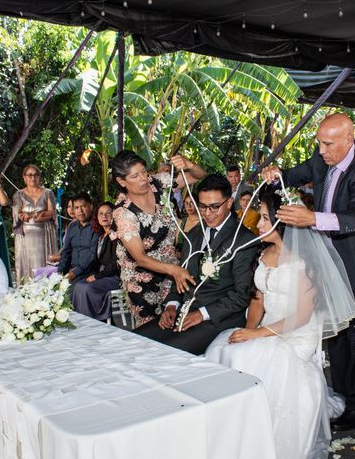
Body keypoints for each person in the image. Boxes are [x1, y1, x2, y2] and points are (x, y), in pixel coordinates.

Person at [205, 191, 355, 459]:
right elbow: (257, 301)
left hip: (296, 335)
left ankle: (268, 449)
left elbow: (301, 316)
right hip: (269, 329)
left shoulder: (304, 261)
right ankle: (237, 441)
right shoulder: (263, 254)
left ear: (282, 222)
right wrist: (248, 331)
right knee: (227, 349)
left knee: (263, 362)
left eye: (264, 218)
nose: (259, 224)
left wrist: (258, 335)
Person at [261, 112, 355, 431]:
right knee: (336, 332)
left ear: (350, 139)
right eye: (319, 143)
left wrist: (313, 219)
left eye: (328, 144)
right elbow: (293, 175)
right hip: (329, 262)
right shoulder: (322, 158)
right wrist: (276, 174)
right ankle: (341, 396)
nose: (321, 150)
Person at [136, 173, 259, 354]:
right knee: (135, 341)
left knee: (165, 353)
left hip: (217, 319)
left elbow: (242, 295)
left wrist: (202, 314)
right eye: (202, 207)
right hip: (183, 312)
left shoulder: (244, 240)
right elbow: (181, 275)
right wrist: (172, 306)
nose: (207, 214)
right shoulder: (193, 234)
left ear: (230, 203)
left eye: (215, 207)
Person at [110, 151, 205, 329]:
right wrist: (174, 270)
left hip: (172, 269)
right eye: (135, 176)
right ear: (122, 182)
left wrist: (189, 164)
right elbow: (140, 257)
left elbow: (199, 175)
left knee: (178, 323)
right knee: (151, 331)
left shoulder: (158, 183)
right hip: (141, 280)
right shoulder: (123, 212)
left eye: (144, 172)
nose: (143, 179)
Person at [71, 202, 120, 321]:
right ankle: (82, 321)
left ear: (114, 216)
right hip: (103, 275)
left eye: (108, 213)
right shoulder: (101, 237)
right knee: (77, 285)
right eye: (101, 213)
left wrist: (96, 276)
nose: (104, 216)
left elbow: (115, 264)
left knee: (86, 288)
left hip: (115, 276)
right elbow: (95, 261)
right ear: (97, 217)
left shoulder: (116, 235)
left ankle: (95, 321)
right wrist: (78, 270)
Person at [12, 164, 58, 282]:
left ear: (39, 177)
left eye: (36, 175)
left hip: (44, 233)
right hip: (26, 235)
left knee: (44, 261)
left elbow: (51, 213)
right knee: (28, 263)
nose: (33, 178)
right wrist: (28, 216)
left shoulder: (48, 193)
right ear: (24, 177)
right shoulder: (19, 194)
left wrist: (37, 217)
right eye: (30, 175)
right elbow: (18, 214)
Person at [57, 192, 99, 283]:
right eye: (76, 208)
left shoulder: (97, 226)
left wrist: (75, 272)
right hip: (71, 270)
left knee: (71, 290)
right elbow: (66, 252)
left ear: (91, 206)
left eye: (83, 206)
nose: (80, 211)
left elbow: (92, 255)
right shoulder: (72, 227)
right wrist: (59, 272)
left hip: (89, 272)